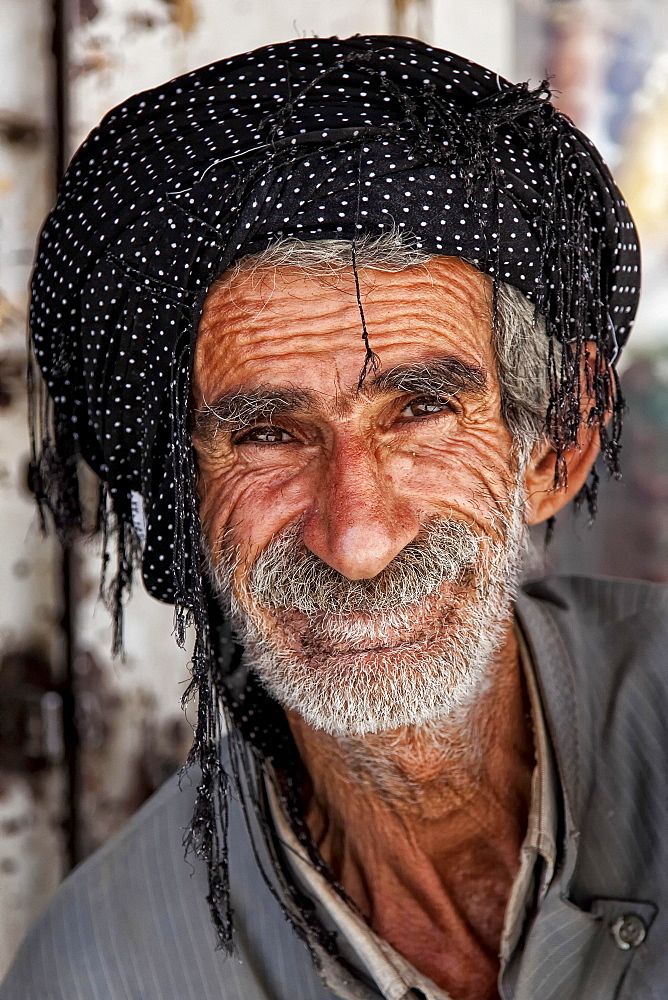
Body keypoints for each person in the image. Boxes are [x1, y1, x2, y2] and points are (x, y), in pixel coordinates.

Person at [2, 34, 666, 1000]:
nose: (355, 537)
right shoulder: (106, 969)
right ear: (189, 500)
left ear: (559, 441)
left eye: (422, 410)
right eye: (267, 432)